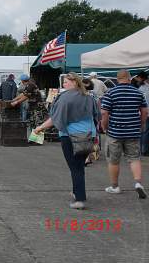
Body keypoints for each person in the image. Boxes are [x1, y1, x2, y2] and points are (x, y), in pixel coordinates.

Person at [34, 73, 100, 210]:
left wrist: (39, 128)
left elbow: (55, 119)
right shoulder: (89, 97)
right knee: (80, 166)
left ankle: (80, 199)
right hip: (88, 135)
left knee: (74, 167)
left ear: (74, 83)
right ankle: (77, 191)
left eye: (66, 82)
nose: (63, 85)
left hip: (70, 136)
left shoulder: (65, 98)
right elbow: (96, 115)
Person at [101, 69, 148, 199]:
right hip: (133, 131)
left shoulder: (110, 93)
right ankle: (138, 183)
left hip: (115, 132)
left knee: (114, 160)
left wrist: (104, 126)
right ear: (129, 78)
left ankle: (115, 187)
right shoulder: (138, 93)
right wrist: (142, 124)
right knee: (134, 158)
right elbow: (144, 111)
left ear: (117, 79)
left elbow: (104, 113)